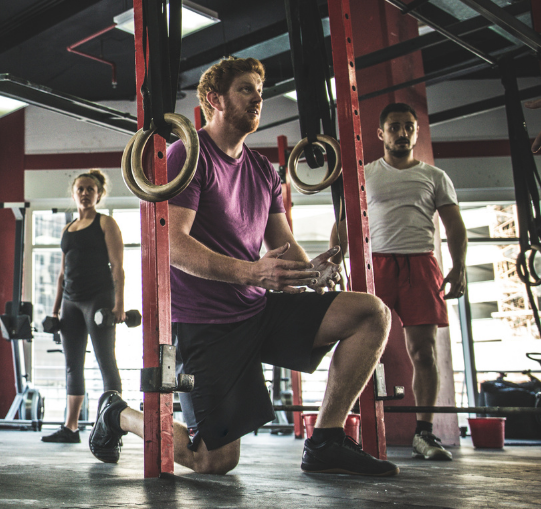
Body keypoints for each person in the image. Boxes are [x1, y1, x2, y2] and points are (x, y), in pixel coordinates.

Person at [88, 56, 397, 476]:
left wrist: (313, 275)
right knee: (213, 461)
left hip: (257, 311)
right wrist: (253, 273)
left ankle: (325, 439)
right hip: (206, 323)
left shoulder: (263, 170)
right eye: (246, 90)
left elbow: (282, 248)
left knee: (369, 313)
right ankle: (118, 413)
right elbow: (172, 246)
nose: (258, 100)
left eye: (260, 92)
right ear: (215, 98)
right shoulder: (186, 157)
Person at [329, 102, 466, 461]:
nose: (402, 133)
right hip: (376, 266)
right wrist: (334, 261)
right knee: (358, 347)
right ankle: (342, 428)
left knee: (424, 352)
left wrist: (460, 265)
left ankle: (424, 434)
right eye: (395, 127)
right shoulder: (365, 174)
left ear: (416, 132)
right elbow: (344, 225)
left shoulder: (435, 177)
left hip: (421, 265)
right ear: (381, 133)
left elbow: (454, 225)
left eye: (408, 126)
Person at [41, 170, 126, 444]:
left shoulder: (106, 223)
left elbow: (118, 268)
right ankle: (71, 427)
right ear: (74, 193)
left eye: (91, 189)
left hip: (98, 299)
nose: (86, 193)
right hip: (70, 302)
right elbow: (62, 274)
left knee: (105, 361)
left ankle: (113, 428)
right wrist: (54, 311)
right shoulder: (67, 229)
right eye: (81, 189)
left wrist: (120, 305)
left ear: (99, 194)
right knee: (72, 365)